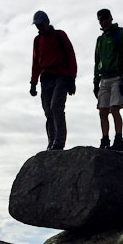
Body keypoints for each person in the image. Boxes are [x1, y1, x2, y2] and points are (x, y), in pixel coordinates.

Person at [30, 11, 77, 150]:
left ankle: (59, 142)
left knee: (56, 107)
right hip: (45, 79)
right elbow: (35, 63)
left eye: (41, 24)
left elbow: (71, 56)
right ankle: (51, 141)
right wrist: (33, 83)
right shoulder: (37, 41)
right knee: (48, 112)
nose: (39, 27)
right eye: (37, 25)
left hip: (61, 76)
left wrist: (71, 79)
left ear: (47, 21)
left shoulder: (60, 35)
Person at [93, 9, 123, 151]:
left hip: (117, 77)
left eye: (105, 19)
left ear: (110, 18)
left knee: (114, 109)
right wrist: (95, 82)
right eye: (100, 20)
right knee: (102, 111)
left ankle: (118, 139)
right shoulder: (100, 40)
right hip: (104, 78)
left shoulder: (121, 36)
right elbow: (97, 62)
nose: (103, 22)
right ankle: (105, 139)